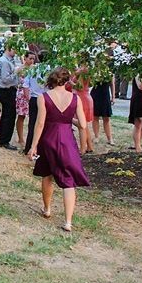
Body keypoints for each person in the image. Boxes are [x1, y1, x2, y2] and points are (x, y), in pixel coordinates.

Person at [29, 66, 90, 233]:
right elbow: (83, 125)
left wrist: (33, 146)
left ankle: (47, 209)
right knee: (68, 180)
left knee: (47, 174)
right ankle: (68, 222)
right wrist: (71, 121)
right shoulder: (75, 99)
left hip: (48, 138)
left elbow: (40, 123)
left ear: (51, 80)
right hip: (66, 140)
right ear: (67, 80)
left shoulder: (44, 97)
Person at [0, 46, 18, 149]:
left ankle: (4, 139)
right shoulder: (4, 61)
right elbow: (5, 79)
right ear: (9, 49)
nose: (16, 51)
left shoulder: (9, 61)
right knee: (9, 116)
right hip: (6, 90)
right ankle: (4, 140)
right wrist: (17, 71)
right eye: (15, 49)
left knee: (8, 116)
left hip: (9, 90)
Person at [22, 53, 45, 155]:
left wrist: (28, 98)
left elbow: (25, 85)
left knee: (32, 123)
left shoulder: (33, 69)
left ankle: (29, 147)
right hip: (46, 99)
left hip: (34, 98)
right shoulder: (51, 70)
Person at [72, 64, 95, 154]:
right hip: (86, 96)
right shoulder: (88, 70)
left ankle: (82, 149)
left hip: (82, 98)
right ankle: (89, 146)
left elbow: (79, 86)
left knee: (81, 125)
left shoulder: (83, 71)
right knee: (84, 125)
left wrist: (70, 82)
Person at [90, 75, 115, 146]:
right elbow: (90, 83)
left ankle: (110, 138)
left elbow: (112, 84)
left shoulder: (109, 71)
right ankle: (96, 136)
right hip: (95, 95)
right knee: (95, 116)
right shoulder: (94, 70)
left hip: (105, 95)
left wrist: (113, 96)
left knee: (106, 118)